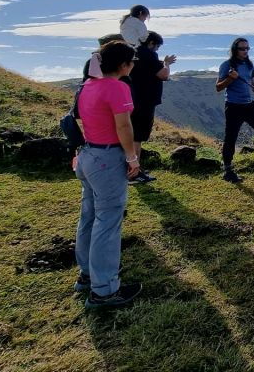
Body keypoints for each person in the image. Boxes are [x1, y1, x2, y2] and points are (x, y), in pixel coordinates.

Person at [73, 41, 142, 309]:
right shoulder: (118, 87)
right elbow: (123, 126)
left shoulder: (87, 86)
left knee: (89, 216)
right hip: (107, 158)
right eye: (132, 61)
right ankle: (104, 290)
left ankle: (87, 275)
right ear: (124, 65)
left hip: (88, 155)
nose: (133, 65)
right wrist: (132, 158)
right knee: (108, 221)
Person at [216, 37, 254, 183]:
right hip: (233, 107)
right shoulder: (227, 65)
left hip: (248, 105)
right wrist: (230, 78)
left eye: (247, 48)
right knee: (231, 138)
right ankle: (228, 170)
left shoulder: (249, 64)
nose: (245, 51)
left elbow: (251, 81)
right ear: (235, 50)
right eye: (242, 48)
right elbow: (218, 87)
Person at [127, 31, 176, 184]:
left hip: (131, 99)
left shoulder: (133, 54)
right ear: (151, 43)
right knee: (138, 137)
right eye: (157, 46)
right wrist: (166, 63)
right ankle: (134, 173)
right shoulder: (149, 55)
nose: (157, 50)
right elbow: (163, 75)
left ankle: (131, 169)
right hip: (145, 101)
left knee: (131, 135)